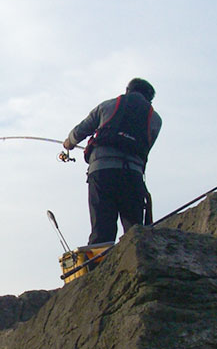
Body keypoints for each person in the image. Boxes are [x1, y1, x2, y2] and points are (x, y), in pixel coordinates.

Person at [63, 78, 162, 244]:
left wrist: (68, 143)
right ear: (149, 99)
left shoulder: (107, 106)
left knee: (102, 230)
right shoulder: (156, 120)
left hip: (102, 172)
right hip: (133, 175)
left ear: (128, 90)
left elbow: (81, 130)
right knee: (135, 230)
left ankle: (99, 267)